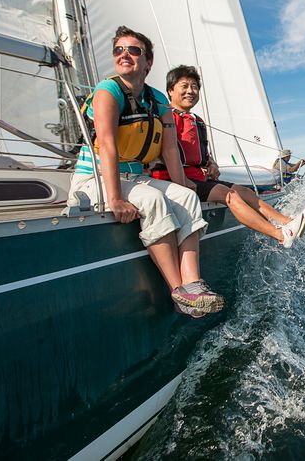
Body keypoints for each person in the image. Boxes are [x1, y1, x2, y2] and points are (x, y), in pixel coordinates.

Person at [68, 26, 222, 319]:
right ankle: (178, 291)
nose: (124, 55)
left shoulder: (157, 100)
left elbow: (170, 150)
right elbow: (109, 147)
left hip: (135, 177)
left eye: (133, 50)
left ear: (148, 62)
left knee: (187, 199)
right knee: (152, 200)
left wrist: (182, 187)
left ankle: (193, 284)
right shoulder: (107, 92)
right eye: (119, 50)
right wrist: (114, 199)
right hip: (96, 178)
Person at [151, 65, 305, 248]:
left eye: (195, 86)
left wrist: (212, 164)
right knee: (230, 195)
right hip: (176, 180)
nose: (191, 91)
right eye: (185, 86)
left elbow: (203, 154)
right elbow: (164, 150)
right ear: (170, 90)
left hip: (198, 178)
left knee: (246, 192)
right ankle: (281, 235)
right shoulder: (165, 118)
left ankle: (287, 222)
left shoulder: (197, 121)